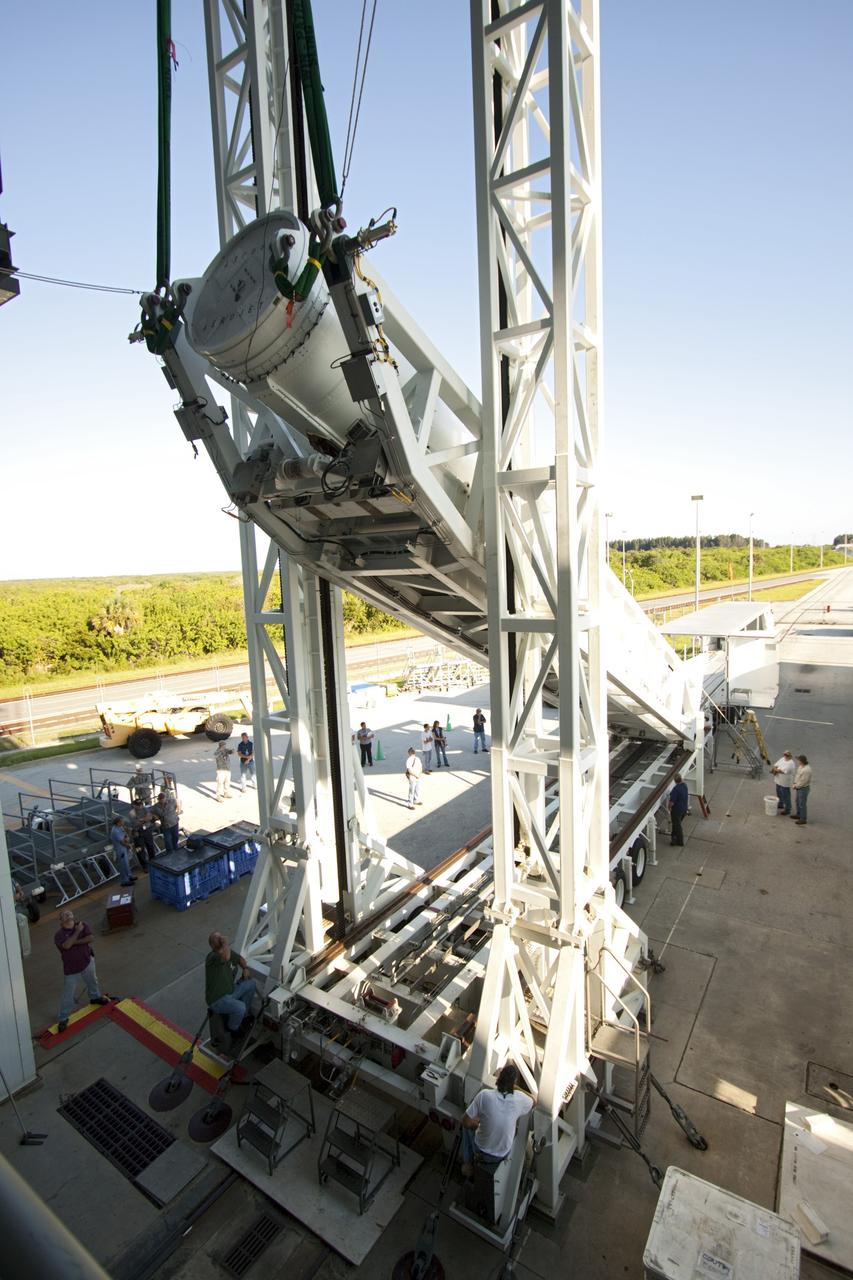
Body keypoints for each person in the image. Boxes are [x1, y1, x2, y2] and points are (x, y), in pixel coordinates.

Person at [461, 1064, 534, 1178]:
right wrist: (515, 1087)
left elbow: (465, 1121)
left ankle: (467, 1162)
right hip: (501, 1154)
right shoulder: (520, 1099)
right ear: (513, 1083)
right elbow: (534, 1101)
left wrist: (476, 1124)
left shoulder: (484, 1095)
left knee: (467, 1125)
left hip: (480, 1150)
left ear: (499, 1077)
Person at [54, 908, 110, 1032]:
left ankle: (95, 998)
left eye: (69, 912)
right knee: (68, 994)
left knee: (93, 982)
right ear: (61, 921)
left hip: (87, 962)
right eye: (64, 914)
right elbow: (66, 946)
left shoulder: (82, 925)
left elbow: (90, 938)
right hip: (71, 970)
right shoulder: (59, 935)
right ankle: (63, 1018)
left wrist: (74, 941)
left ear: (73, 915)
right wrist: (77, 932)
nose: (67, 914)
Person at [205, 931, 258, 1039]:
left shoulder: (226, 952)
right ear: (212, 945)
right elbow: (226, 957)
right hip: (218, 999)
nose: (221, 939)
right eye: (218, 939)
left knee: (251, 984)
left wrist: (245, 968)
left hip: (230, 991)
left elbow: (240, 959)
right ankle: (233, 1028)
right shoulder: (213, 957)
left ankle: (241, 1017)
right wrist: (225, 944)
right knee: (240, 1007)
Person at [110, 815, 136, 886]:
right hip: (120, 849)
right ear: (118, 822)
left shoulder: (120, 827)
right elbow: (122, 841)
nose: (124, 822)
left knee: (127, 864)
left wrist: (127, 838)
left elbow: (125, 835)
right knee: (123, 865)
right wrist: (129, 846)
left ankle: (129, 876)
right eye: (122, 821)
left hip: (124, 848)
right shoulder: (115, 831)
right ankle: (125, 881)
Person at [153, 788, 181, 853]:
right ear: (158, 799)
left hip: (174, 824)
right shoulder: (156, 806)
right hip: (166, 827)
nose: (162, 800)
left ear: (165, 798)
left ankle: (176, 850)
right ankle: (170, 853)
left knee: (176, 838)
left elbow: (178, 801)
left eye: (163, 799)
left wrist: (178, 810)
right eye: (160, 799)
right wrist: (155, 817)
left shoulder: (172, 801)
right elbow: (152, 813)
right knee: (168, 841)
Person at [771, 750, 795, 815]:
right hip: (778, 780)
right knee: (779, 793)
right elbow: (776, 765)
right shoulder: (782, 759)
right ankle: (780, 803)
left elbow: (783, 771)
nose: (785, 756)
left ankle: (788, 809)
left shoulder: (791, 763)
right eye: (784, 755)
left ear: (790, 756)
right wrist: (776, 768)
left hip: (785, 782)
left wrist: (776, 770)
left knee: (786, 795)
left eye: (787, 755)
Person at [668, 773, 689, 847]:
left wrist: (669, 807)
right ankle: (674, 838)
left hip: (677, 810)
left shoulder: (676, 789)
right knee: (676, 824)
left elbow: (672, 802)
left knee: (677, 825)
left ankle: (680, 841)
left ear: (675, 781)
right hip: (684, 809)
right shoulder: (685, 786)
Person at [791, 754, 812, 825]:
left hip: (803, 788)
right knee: (797, 801)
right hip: (798, 787)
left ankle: (803, 819)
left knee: (802, 804)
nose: (798, 761)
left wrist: (795, 786)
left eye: (799, 760)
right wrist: (794, 783)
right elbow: (797, 776)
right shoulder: (801, 767)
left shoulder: (807, 770)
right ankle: (799, 814)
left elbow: (803, 781)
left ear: (802, 761)